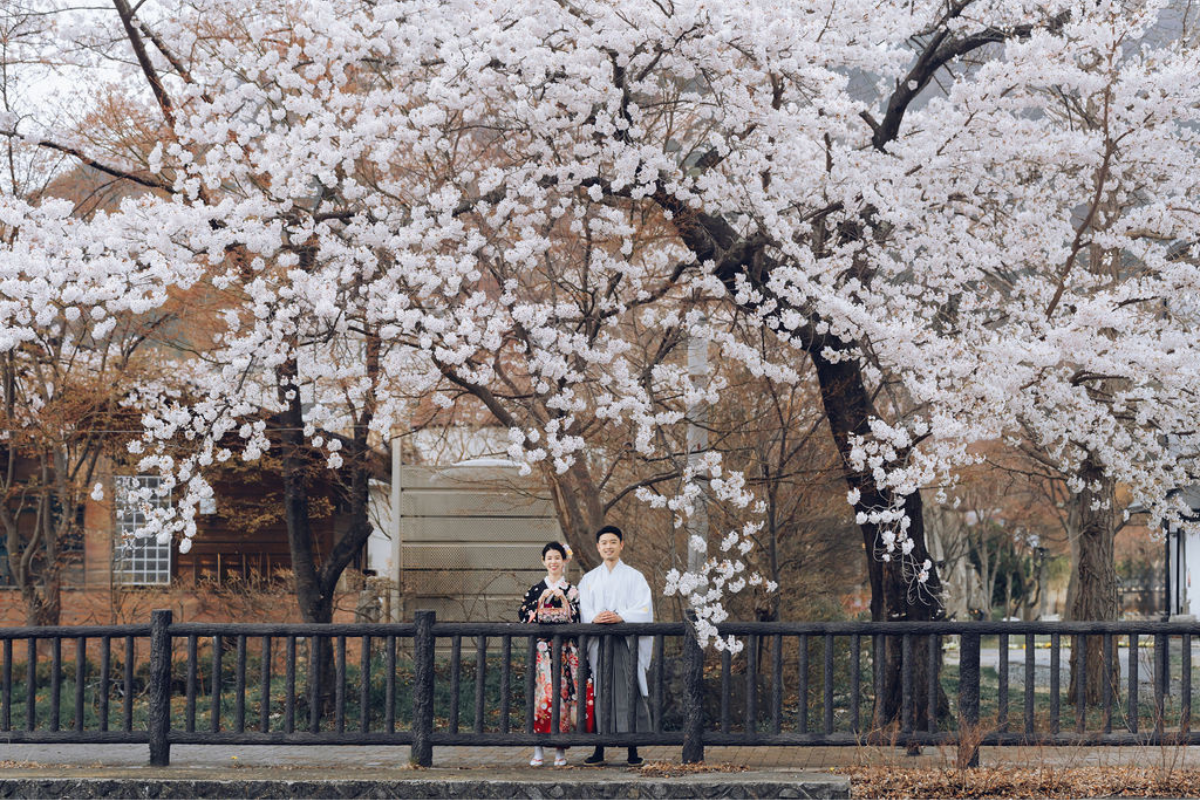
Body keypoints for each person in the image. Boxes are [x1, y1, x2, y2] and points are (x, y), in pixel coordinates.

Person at [578, 524, 652, 767]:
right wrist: (594, 618)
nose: (608, 546)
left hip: (624, 643)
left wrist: (621, 616)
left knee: (628, 692)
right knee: (600, 693)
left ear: (621, 544)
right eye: (604, 543)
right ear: (598, 547)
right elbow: (583, 609)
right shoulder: (589, 579)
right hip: (598, 642)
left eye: (613, 542)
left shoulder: (634, 576)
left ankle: (633, 749)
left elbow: (644, 608)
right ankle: (598, 749)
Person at [518, 541, 581, 767]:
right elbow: (523, 614)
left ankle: (560, 751)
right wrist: (539, 603)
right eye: (550, 558)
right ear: (543, 561)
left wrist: (565, 604)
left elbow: (579, 616)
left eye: (558, 557)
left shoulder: (572, 590)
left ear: (565, 561)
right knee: (540, 697)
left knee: (562, 697)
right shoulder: (536, 589)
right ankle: (538, 748)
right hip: (542, 652)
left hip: (563, 651)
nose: (553, 562)